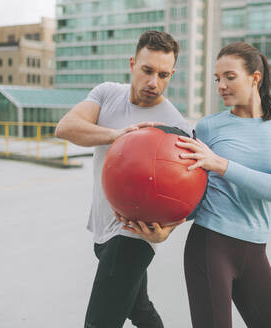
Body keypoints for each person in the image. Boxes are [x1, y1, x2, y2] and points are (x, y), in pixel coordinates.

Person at [55, 30, 190, 328]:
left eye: (164, 74)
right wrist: (118, 136)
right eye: (147, 70)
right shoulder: (106, 94)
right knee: (139, 309)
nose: (155, 82)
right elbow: (65, 127)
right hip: (102, 227)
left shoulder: (175, 126)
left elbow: (192, 192)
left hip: (134, 235)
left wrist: (166, 231)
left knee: (100, 322)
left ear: (172, 74)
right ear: (132, 64)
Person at [176, 42, 271, 327]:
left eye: (229, 76)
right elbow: (196, 192)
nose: (221, 85)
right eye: (217, 79)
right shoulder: (209, 127)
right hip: (210, 245)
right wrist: (166, 222)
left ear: (255, 77)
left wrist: (221, 164)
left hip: (256, 251)